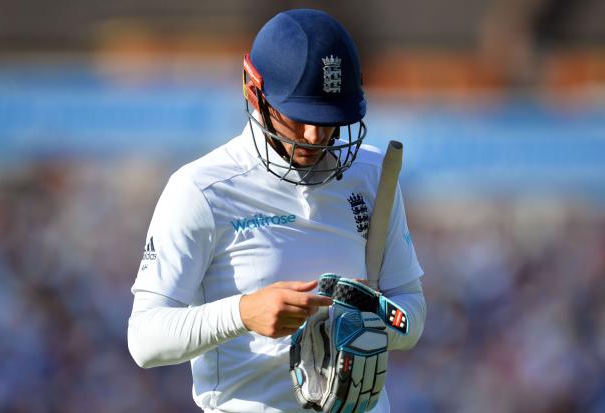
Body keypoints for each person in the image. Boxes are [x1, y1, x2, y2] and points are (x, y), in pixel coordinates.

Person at [128, 8, 426, 413]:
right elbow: (144, 340)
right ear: (255, 92)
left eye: (330, 118)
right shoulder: (200, 190)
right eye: (300, 116)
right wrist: (243, 313)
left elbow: (412, 315)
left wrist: (372, 317)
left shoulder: (373, 174)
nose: (315, 135)